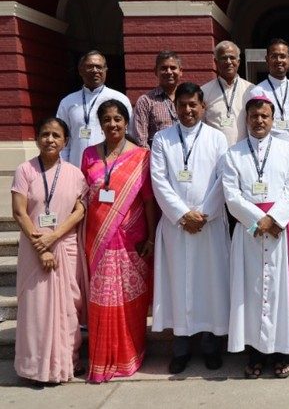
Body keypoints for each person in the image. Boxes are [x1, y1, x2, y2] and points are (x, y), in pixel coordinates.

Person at [150, 82, 231, 374]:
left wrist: (204, 214)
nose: (187, 110)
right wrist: (183, 215)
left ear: (203, 106)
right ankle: (181, 348)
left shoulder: (217, 138)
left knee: (209, 285)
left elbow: (224, 179)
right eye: (182, 105)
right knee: (179, 285)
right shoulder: (162, 140)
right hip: (176, 228)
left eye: (193, 104)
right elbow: (158, 181)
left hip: (208, 227)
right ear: (175, 107)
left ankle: (210, 345)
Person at [223, 96, 289, 380]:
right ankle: (255, 353)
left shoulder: (286, 150)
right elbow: (231, 194)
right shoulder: (233, 154)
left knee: (279, 292)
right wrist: (258, 220)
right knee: (251, 292)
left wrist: (275, 218)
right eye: (254, 116)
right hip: (249, 232)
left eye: (265, 116)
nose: (259, 121)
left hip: (279, 230)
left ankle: (281, 353)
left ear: (272, 119)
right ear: (247, 119)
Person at [80, 99, 156, 383]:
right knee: (101, 298)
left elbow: (148, 200)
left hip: (131, 238)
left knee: (129, 300)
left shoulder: (141, 155)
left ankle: (130, 354)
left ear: (126, 122)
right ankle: (102, 360)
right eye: (107, 120)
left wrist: (150, 236)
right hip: (97, 237)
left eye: (117, 119)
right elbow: (83, 194)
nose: (112, 124)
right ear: (100, 124)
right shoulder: (89, 154)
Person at [11, 117, 87, 384]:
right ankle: (35, 367)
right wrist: (40, 246)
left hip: (64, 245)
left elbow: (80, 210)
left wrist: (54, 236)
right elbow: (19, 212)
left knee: (69, 307)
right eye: (45, 134)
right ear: (37, 139)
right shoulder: (25, 170)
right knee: (36, 308)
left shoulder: (75, 174)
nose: (50, 140)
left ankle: (68, 361)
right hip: (34, 248)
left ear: (66, 141)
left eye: (56, 135)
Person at [249, 38, 289, 264]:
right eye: (274, 56)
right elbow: (252, 127)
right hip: (268, 161)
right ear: (266, 60)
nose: (279, 60)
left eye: (283, 56)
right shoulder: (258, 91)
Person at [56, 50, 133, 167]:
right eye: (90, 67)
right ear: (80, 70)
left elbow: (129, 135)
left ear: (105, 70)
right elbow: (62, 138)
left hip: (111, 167)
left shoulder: (119, 99)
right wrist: (63, 166)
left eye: (99, 67)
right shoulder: (68, 102)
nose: (95, 70)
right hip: (76, 166)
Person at [202, 40, 255, 146]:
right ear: (216, 62)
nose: (228, 61)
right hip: (215, 155)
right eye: (224, 58)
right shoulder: (204, 91)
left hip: (243, 154)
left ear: (238, 62)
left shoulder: (251, 90)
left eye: (232, 57)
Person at [133, 51, 183, 147]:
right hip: (158, 158)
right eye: (164, 68)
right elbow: (141, 141)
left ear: (181, 71)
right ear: (155, 71)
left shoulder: (188, 99)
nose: (169, 72)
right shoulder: (146, 101)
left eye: (173, 68)